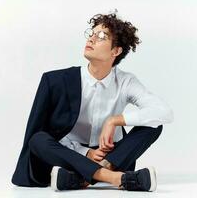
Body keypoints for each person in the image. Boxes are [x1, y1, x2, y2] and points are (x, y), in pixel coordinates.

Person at [11, 11, 174, 192]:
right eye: (92, 33)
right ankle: (115, 177)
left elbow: (164, 112)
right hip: (69, 154)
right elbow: (39, 133)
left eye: (102, 36)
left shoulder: (126, 81)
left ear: (116, 51)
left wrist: (115, 120)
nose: (92, 39)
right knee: (38, 139)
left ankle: (81, 179)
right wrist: (85, 153)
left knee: (154, 125)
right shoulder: (56, 80)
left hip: (113, 156)